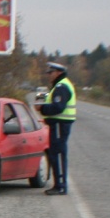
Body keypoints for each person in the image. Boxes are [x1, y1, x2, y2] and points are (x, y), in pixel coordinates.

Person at [37, 61, 76, 195]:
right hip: (58, 123)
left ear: (58, 72)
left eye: (51, 72)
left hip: (60, 124)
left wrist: (42, 108)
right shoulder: (59, 86)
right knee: (56, 153)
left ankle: (60, 185)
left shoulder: (61, 86)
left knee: (57, 154)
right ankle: (59, 184)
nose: (49, 75)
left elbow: (58, 107)